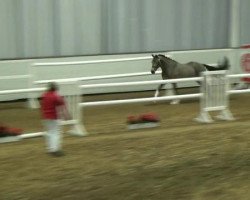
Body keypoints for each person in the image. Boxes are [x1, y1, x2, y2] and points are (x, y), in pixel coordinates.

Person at [40, 82, 69, 157]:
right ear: (56, 88)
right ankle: (55, 150)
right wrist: (65, 115)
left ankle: (50, 149)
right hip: (53, 117)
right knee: (56, 133)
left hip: (45, 117)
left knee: (49, 133)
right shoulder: (55, 96)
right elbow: (62, 105)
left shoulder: (44, 95)